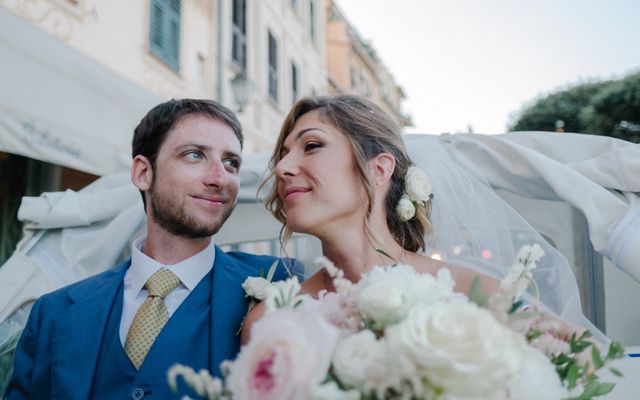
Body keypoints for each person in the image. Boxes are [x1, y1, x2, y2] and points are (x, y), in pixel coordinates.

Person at [242, 94, 599, 344]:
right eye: (283, 155)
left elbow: (584, 355)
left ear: (379, 168)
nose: (284, 168)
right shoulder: (269, 320)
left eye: (312, 145)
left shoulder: (474, 291)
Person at [6, 99, 298, 400]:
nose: (219, 178)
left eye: (231, 163)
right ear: (143, 173)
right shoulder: (52, 314)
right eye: (195, 155)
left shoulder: (284, 287)